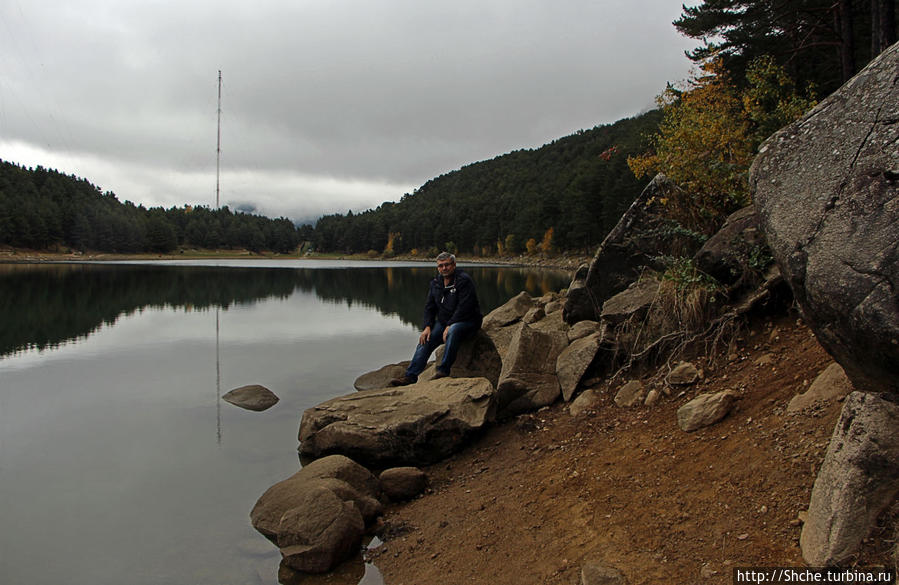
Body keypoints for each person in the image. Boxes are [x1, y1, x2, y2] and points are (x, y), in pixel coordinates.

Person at [390, 252, 482, 386]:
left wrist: (450, 325)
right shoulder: (436, 283)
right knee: (425, 339)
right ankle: (410, 376)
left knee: (454, 330)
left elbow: (465, 307)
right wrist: (427, 326)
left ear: (454, 265)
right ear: (437, 267)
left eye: (447, 265)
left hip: (468, 321)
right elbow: (429, 307)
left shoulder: (463, 280)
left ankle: (443, 371)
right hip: (444, 322)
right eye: (440, 266)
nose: (444, 268)